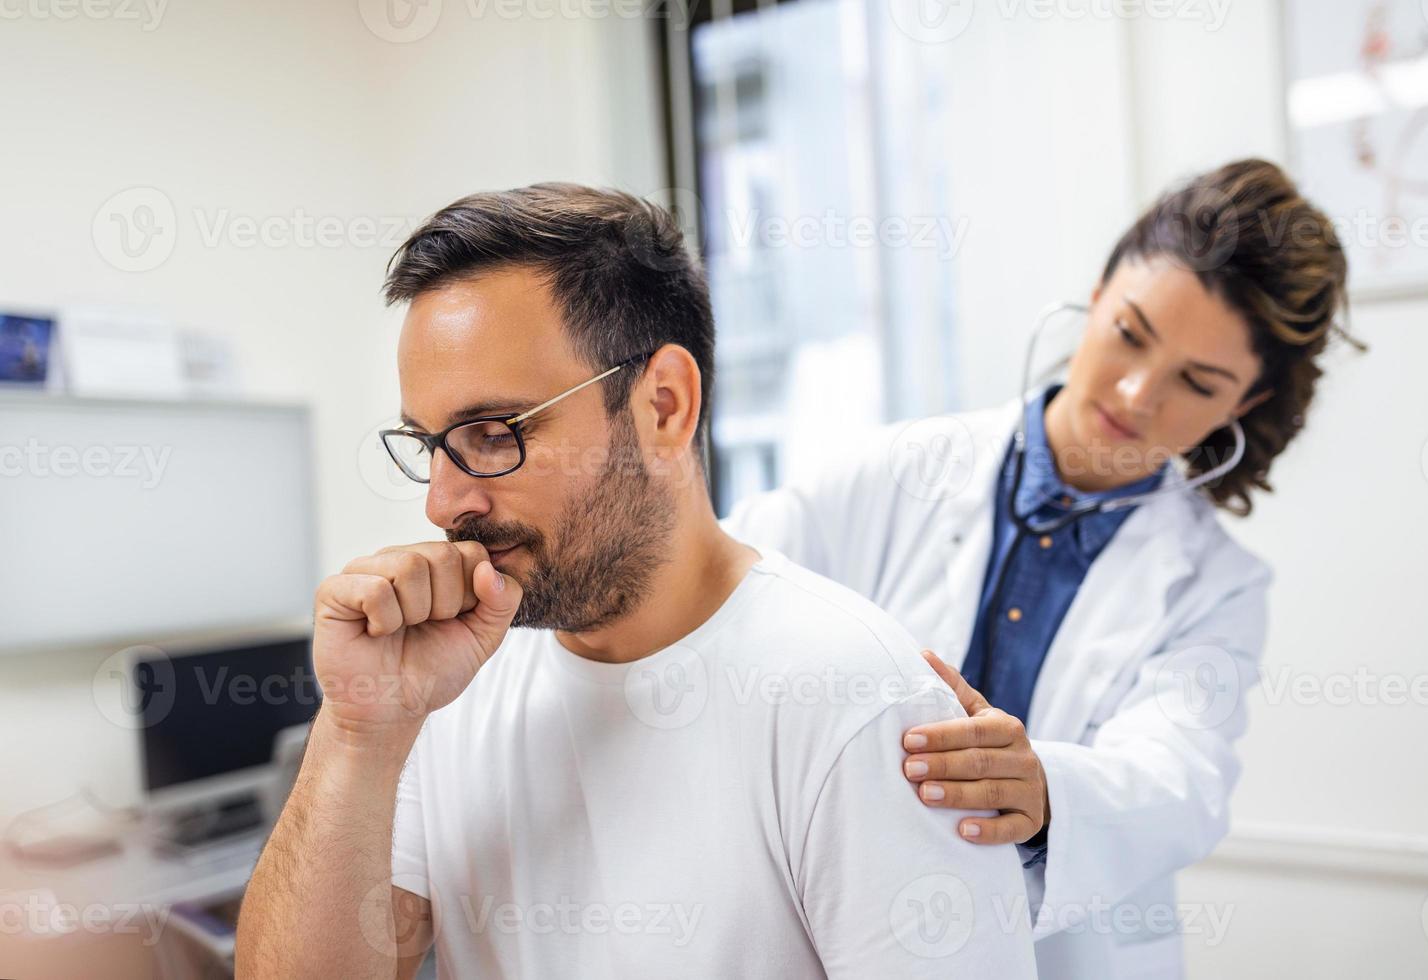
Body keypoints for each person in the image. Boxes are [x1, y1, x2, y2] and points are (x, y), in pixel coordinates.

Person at [235, 184, 1038, 979]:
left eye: (493, 434)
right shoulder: (449, 682)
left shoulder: (857, 701)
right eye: (431, 445)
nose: (444, 502)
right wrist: (358, 731)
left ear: (664, 406)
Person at [723, 159, 1357, 979]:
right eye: (1130, 333)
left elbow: (1180, 776)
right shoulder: (903, 467)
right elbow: (727, 579)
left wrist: (1048, 789)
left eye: (1196, 382)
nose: (1134, 394)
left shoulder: (1216, 586)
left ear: (1242, 406)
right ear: (1096, 299)